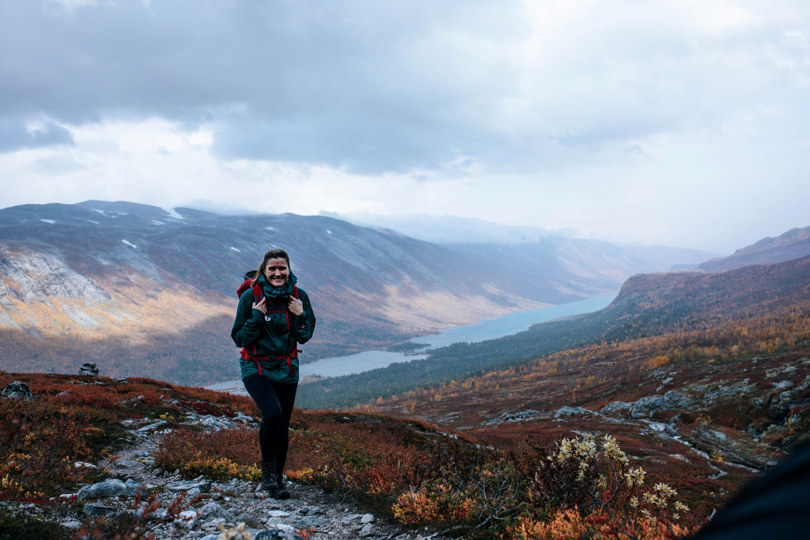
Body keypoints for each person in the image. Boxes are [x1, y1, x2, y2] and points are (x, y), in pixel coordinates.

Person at [231, 249, 316, 499]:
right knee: (272, 412)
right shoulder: (250, 297)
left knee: (282, 424)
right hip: (255, 366)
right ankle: (267, 472)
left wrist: (300, 315)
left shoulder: (299, 297)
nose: (278, 273)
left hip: (287, 368)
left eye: (282, 268)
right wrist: (256, 316)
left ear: (289, 270)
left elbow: (305, 336)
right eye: (272, 269)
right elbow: (239, 338)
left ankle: (277, 481)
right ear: (264, 271)